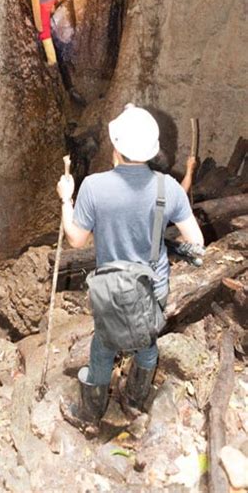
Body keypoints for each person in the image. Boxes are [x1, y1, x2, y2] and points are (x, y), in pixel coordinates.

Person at [57, 104, 204, 434]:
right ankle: (135, 399)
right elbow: (196, 243)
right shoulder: (168, 188)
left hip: (113, 289)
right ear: (152, 151)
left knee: (103, 346)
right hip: (154, 287)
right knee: (146, 342)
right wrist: (164, 245)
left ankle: (89, 414)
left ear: (116, 148)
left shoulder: (94, 187)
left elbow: (76, 240)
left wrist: (67, 199)